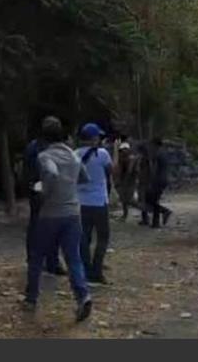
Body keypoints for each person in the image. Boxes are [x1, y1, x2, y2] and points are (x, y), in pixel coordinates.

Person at [24, 116, 93, 322]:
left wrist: (46, 192)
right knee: (73, 258)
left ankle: (31, 298)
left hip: (51, 214)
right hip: (73, 213)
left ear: (44, 138)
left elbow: (51, 174)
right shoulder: (73, 156)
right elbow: (85, 178)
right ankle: (83, 296)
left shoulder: (44, 156)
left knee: (36, 257)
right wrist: (68, 184)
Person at [75, 122, 113, 285]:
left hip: (81, 203)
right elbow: (112, 171)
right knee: (103, 237)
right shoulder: (102, 154)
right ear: (93, 138)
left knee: (84, 237)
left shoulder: (74, 154)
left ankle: (86, 269)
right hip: (99, 202)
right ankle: (96, 270)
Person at [24, 133, 65, 275]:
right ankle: (50, 262)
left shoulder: (34, 146)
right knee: (45, 225)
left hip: (38, 188)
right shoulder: (43, 148)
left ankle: (39, 260)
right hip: (43, 189)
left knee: (38, 226)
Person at [146, 137, 173, 228]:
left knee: (150, 200)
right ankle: (155, 222)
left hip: (158, 180)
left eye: (151, 145)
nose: (150, 147)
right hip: (164, 179)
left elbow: (154, 169)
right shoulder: (164, 153)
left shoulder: (157, 154)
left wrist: (151, 182)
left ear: (155, 144)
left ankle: (165, 212)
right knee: (154, 200)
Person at [114, 141, 139, 221]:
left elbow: (131, 171)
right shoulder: (122, 159)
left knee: (129, 200)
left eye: (125, 149)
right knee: (124, 200)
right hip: (124, 181)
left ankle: (146, 210)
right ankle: (125, 215)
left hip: (130, 181)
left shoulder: (131, 159)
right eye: (122, 150)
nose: (123, 151)